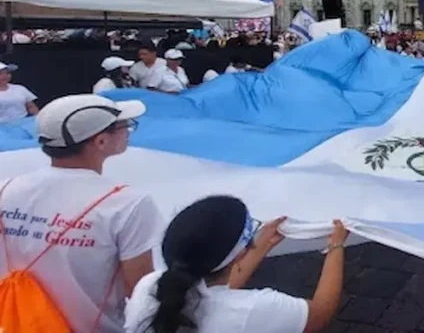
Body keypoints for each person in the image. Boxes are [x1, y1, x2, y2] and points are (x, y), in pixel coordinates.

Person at [0, 94, 161, 332]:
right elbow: (139, 292)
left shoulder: (5, 189)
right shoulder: (127, 203)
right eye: (123, 126)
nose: (128, 131)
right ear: (100, 141)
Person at [124, 196, 348, 333]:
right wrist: (336, 246)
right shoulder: (251, 310)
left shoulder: (150, 286)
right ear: (240, 253)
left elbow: (218, 290)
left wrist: (262, 245)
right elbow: (319, 314)